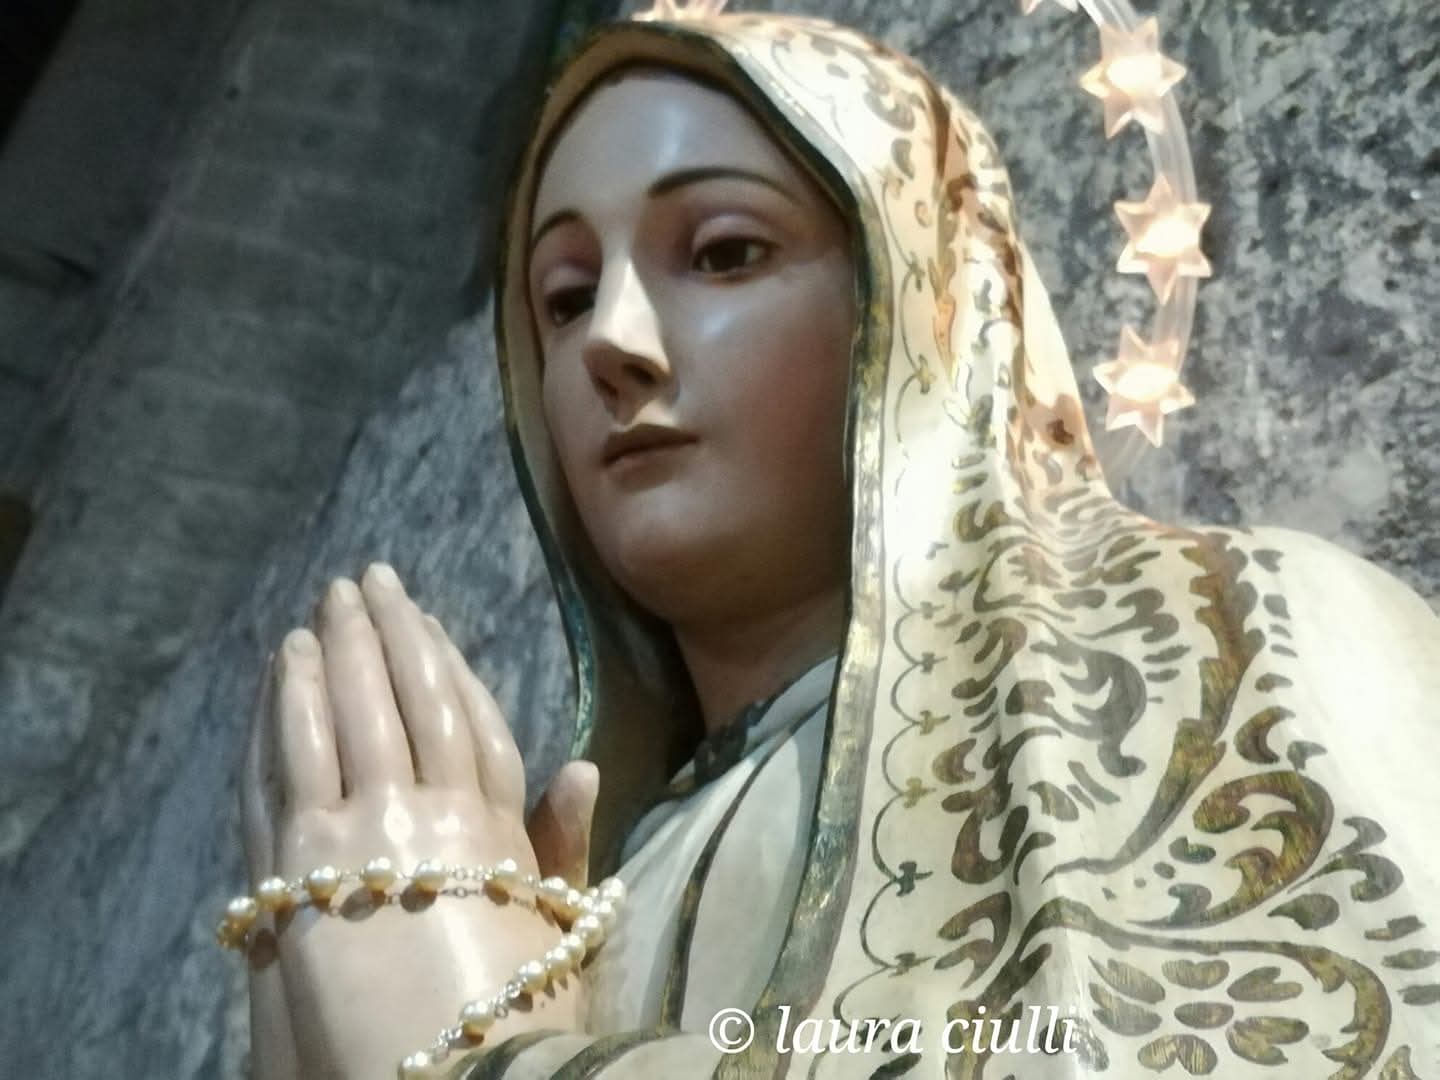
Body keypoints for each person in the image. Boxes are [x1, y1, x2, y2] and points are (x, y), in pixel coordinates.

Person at [236, 9, 1440, 1079]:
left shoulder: (1233, 629)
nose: (610, 340)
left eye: (724, 251)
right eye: (562, 296)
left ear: (923, 303)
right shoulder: (572, 904)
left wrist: (478, 1054)